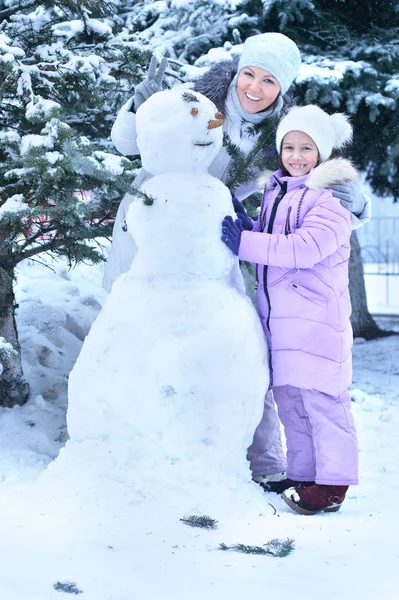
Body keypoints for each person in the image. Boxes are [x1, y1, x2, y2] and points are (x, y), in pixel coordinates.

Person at [105, 32, 368, 489]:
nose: (254, 86)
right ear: (237, 70)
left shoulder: (284, 140)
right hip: (153, 233)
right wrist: (138, 108)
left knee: (243, 346)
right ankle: (123, 448)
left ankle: (265, 462)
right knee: (135, 338)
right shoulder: (194, 100)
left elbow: (310, 201)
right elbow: (128, 145)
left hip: (219, 241)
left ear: (281, 88)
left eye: (268, 80)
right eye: (249, 73)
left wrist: (355, 202)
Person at [221, 104, 359, 514]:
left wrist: (245, 243)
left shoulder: (330, 199)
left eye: (307, 148)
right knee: (292, 405)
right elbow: (272, 240)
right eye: (289, 147)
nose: (297, 156)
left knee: (323, 404)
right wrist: (249, 227)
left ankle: (333, 485)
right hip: (281, 324)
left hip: (317, 322)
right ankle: (304, 476)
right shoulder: (278, 192)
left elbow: (304, 248)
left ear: (323, 153)